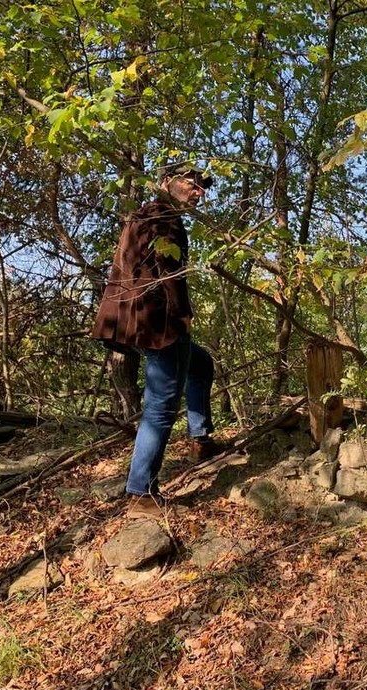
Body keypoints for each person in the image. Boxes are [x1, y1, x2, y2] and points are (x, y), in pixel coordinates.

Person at [92, 163, 225, 515]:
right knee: (160, 409)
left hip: (140, 322)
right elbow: (169, 273)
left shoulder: (146, 214)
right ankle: (141, 493)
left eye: (202, 188)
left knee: (200, 364)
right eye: (191, 183)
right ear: (167, 182)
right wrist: (182, 314)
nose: (198, 192)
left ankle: (200, 439)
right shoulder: (163, 218)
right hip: (159, 323)